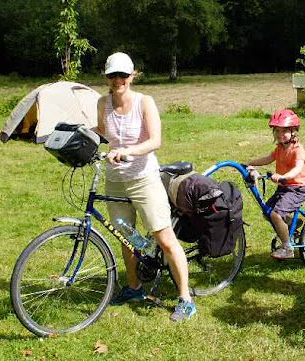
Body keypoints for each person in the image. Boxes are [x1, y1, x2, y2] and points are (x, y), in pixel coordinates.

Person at [96, 52, 196, 322]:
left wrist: (128, 151)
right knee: (124, 237)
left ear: (132, 76)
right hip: (115, 179)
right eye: (112, 75)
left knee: (164, 238)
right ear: (106, 77)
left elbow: (155, 141)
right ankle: (134, 287)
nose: (118, 80)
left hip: (143, 177)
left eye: (123, 75)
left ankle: (185, 298)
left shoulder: (144, 102)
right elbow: (103, 132)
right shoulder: (103, 102)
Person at [245, 109, 305, 260]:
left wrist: (283, 177)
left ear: (294, 131)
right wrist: (249, 163)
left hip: (297, 188)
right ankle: (289, 225)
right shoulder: (280, 148)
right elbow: (267, 159)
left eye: (285, 131)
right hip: (284, 187)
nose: (280, 135)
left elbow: (297, 169)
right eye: (277, 131)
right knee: (267, 212)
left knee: (275, 214)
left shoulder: (298, 150)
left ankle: (287, 248)